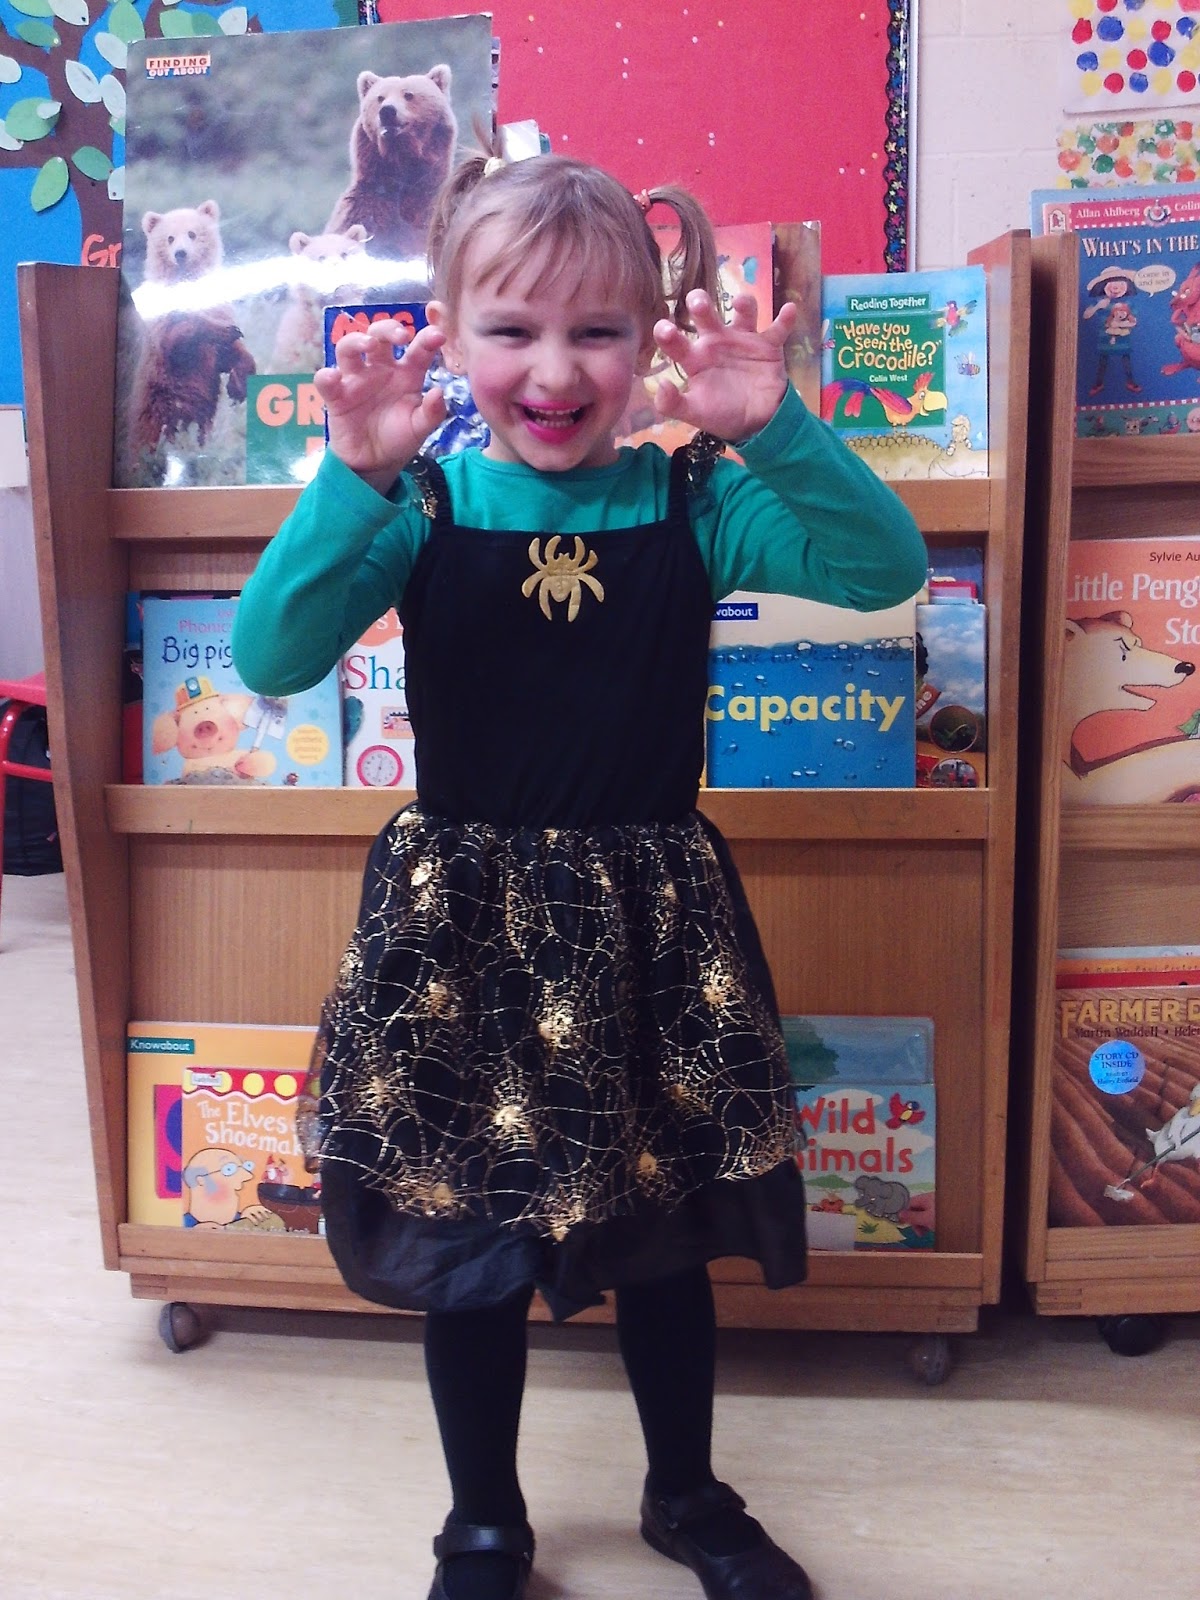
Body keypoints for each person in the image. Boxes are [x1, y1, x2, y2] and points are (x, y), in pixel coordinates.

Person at [233, 152, 926, 1600]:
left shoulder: (696, 498)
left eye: (597, 332)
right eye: (513, 331)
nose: (555, 372)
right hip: (463, 933)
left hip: (653, 929)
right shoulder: (421, 504)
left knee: (663, 1231)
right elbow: (274, 656)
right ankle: (484, 1518)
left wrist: (776, 427)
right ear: (449, 330)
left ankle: (687, 1491)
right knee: (469, 1231)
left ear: (650, 337)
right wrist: (351, 477)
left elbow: (879, 570)